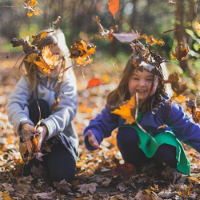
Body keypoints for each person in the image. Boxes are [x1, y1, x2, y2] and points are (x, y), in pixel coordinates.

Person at [84, 42, 200, 175]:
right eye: (136, 78)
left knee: (165, 144)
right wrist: (94, 134)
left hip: (161, 153)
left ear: (160, 82)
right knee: (127, 133)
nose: (142, 84)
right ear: (127, 79)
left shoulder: (165, 105)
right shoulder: (121, 101)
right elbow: (103, 122)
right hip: (135, 154)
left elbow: (189, 129)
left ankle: (161, 169)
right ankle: (137, 167)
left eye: (149, 79)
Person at [7, 29, 78, 183]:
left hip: (61, 141)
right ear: (34, 58)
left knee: (62, 177)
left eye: (56, 55)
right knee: (39, 105)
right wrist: (25, 124)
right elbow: (14, 104)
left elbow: (67, 110)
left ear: (63, 57)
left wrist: (45, 129)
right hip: (32, 141)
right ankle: (33, 160)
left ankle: (54, 162)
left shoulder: (66, 81)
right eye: (44, 55)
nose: (50, 61)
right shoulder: (29, 81)